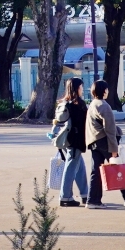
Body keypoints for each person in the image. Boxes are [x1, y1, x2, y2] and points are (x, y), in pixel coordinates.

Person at [85, 79, 125, 209]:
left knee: (96, 171)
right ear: (104, 91)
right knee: (118, 168)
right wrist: (114, 149)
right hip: (105, 141)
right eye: (106, 89)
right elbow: (110, 129)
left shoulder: (93, 104)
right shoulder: (104, 106)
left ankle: (93, 200)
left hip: (94, 141)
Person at [53, 77, 89, 207]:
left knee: (79, 167)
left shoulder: (64, 104)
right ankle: (65, 197)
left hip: (66, 139)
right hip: (76, 140)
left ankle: (85, 194)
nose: (82, 89)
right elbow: (84, 123)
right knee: (71, 168)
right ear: (76, 88)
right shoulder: (78, 104)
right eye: (81, 87)